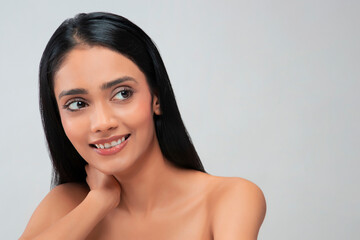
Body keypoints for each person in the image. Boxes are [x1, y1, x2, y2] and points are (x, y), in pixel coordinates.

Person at [20, 12, 266, 240]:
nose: (103, 123)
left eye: (123, 93)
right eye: (77, 104)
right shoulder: (66, 205)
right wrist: (97, 203)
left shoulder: (228, 198)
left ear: (156, 98)